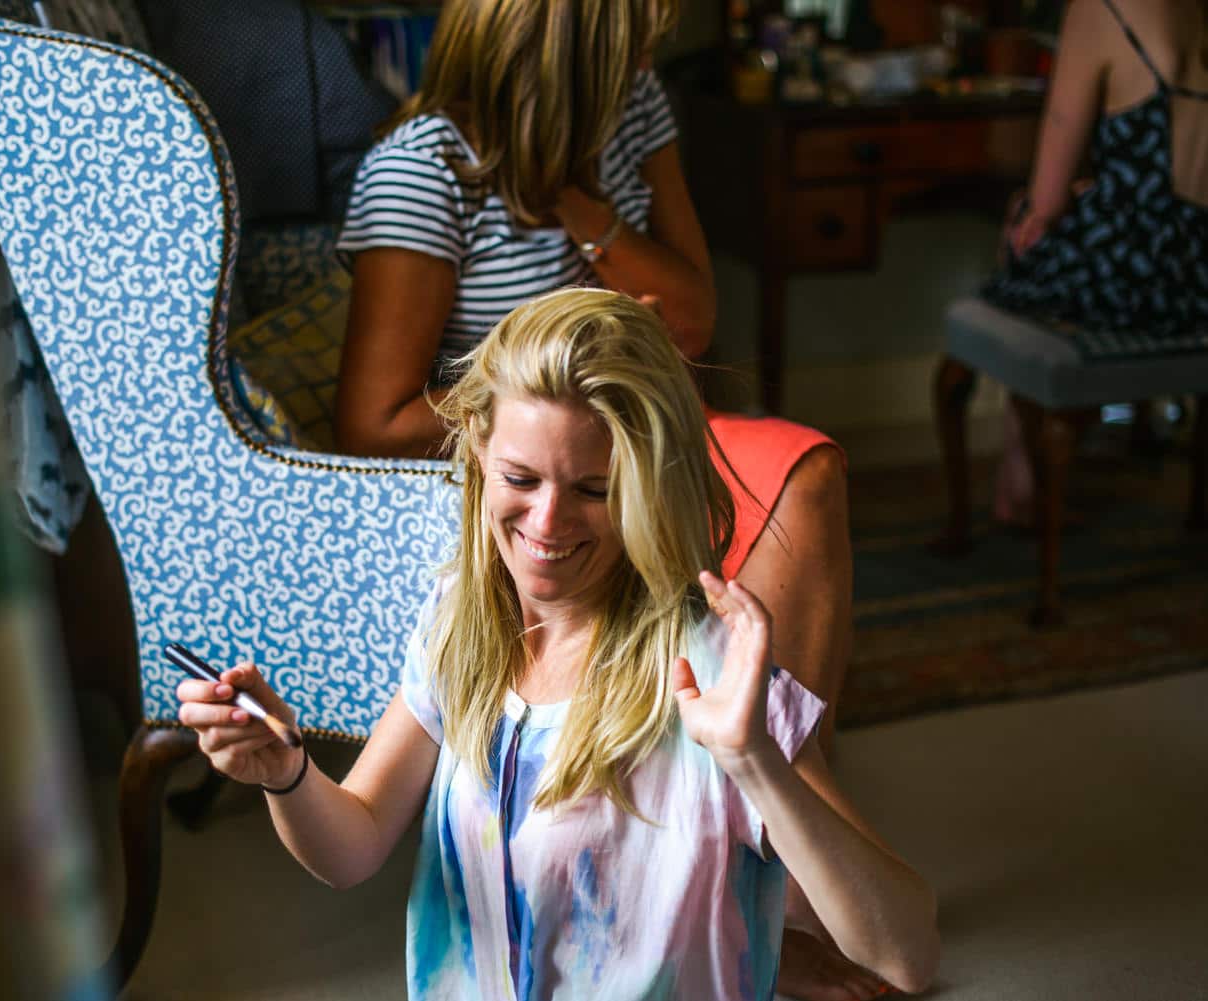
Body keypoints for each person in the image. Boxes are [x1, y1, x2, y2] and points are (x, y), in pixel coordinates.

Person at [179, 289, 939, 1001]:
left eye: (593, 490)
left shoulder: (710, 671)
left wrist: (756, 763)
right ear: (479, 449)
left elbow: (905, 952)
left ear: (650, 484)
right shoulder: (461, 621)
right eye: (521, 476)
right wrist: (286, 773)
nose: (546, 523)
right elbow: (354, 846)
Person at [330, 0, 854, 769]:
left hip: (650, 425)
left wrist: (579, 207)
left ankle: (785, 793)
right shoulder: (422, 169)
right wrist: (547, 384)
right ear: (563, 58)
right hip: (536, 451)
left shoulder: (632, 113)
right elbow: (374, 421)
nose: (647, 68)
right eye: (630, 51)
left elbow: (694, 316)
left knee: (806, 471)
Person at [981, 0, 1208, 523]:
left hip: (1139, 279)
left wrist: (1037, 213)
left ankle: (1020, 471)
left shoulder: (1101, 9)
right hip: (1198, 274)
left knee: (1024, 237)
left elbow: (1047, 201)